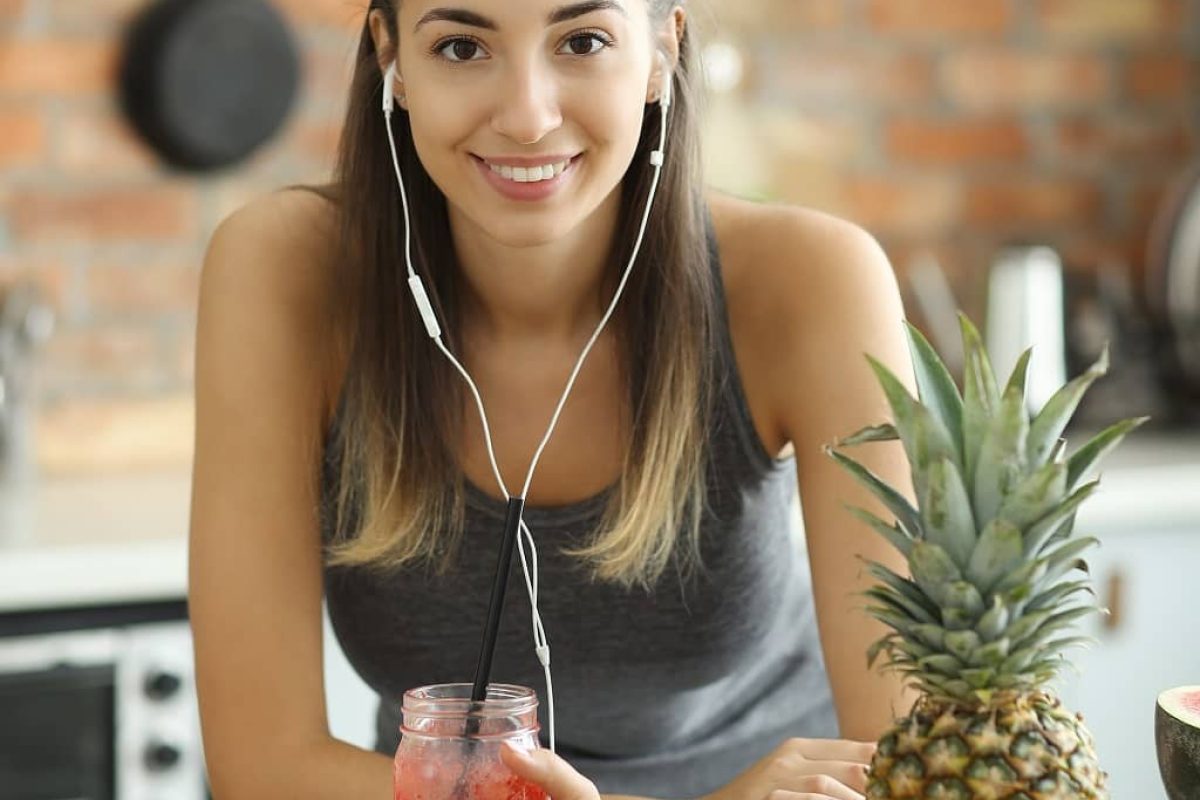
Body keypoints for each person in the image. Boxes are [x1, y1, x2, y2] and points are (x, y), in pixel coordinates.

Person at [189, 0, 920, 798]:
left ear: (661, 48)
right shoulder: (283, 271)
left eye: (583, 40)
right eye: (463, 47)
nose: (528, 116)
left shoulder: (809, 281)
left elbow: (914, 749)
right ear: (391, 54)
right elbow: (261, 771)